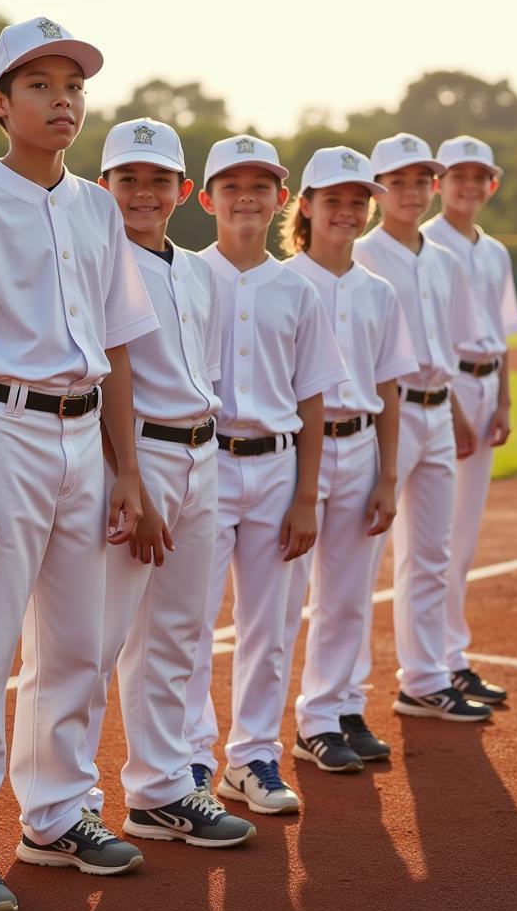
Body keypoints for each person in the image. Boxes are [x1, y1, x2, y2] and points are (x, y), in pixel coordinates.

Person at [0, 18, 159, 911]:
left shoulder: (97, 206)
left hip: (84, 437)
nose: (64, 100)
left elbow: (121, 345)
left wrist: (126, 469)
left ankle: (56, 814)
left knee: (79, 646)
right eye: (42, 85)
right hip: (4, 429)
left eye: (74, 86)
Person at [84, 117, 255, 849]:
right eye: (129, 179)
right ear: (105, 187)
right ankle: (67, 801)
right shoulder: (95, 261)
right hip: (134, 457)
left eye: (158, 180)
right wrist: (130, 476)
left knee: (180, 636)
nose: (143, 192)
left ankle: (159, 791)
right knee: (97, 638)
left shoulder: (196, 270)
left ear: (184, 191)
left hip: (200, 452)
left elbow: (203, 374)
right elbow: (95, 380)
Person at [183, 135, 348, 814]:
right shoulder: (184, 274)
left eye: (260, 185)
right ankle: (190, 758)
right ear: (207, 197)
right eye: (232, 185)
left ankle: (252, 758)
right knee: (188, 622)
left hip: (279, 466)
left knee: (271, 625)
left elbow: (313, 395)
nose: (246, 197)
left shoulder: (300, 288)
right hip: (204, 459)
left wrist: (308, 494)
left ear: (281, 198)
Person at [279, 147, 417, 772]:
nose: (347, 211)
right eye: (332, 199)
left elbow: (389, 387)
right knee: (282, 598)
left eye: (358, 200)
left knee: (349, 593)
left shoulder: (379, 292)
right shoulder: (283, 281)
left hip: (361, 445)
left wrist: (389, 474)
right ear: (305, 205)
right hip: (292, 452)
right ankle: (288, 727)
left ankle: (331, 711)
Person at [351, 133, 493, 723]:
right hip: (387, 414)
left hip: (437, 410)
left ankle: (426, 678)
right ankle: (343, 702)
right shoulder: (360, 252)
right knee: (360, 558)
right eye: (398, 182)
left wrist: (458, 410)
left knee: (431, 552)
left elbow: (447, 348)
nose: (411, 193)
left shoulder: (446, 259)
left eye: (420, 181)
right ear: (379, 191)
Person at [423, 135, 517, 705]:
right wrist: (457, 405)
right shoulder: (427, 244)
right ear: (441, 183)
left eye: (477, 175)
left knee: (462, 536)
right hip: (447, 389)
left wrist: (503, 400)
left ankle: (452, 656)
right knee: (435, 538)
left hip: (486, 385)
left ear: (493, 183)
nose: (467, 184)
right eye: (457, 174)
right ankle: (435, 664)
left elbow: (502, 337)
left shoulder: (495, 251)